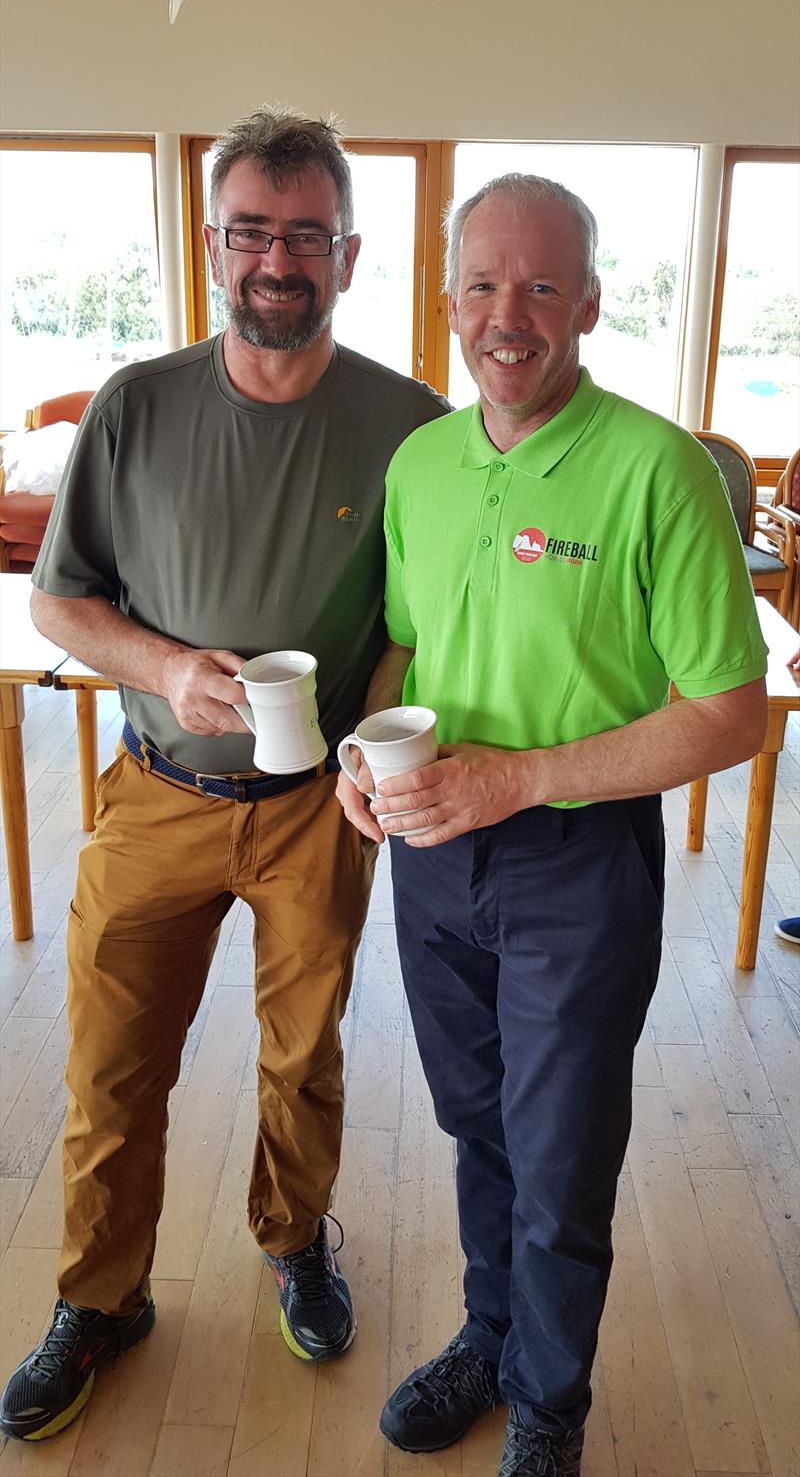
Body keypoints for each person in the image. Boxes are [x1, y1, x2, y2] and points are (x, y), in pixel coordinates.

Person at [0, 108, 447, 1443]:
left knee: (303, 1055)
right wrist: (162, 660)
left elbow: (417, 627)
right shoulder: (135, 404)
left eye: (306, 233)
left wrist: (376, 740)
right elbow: (58, 601)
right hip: (157, 792)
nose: (277, 258)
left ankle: (295, 1236)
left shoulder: (409, 426)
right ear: (211, 244)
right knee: (112, 1062)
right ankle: (100, 1293)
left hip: (318, 811)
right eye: (251, 229)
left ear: (349, 254)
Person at [337, 173, 768, 1476]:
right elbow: (406, 646)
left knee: (563, 1149)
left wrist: (514, 781)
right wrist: (365, 753)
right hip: (431, 855)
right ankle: (490, 1331)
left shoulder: (661, 469)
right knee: (480, 1120)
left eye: (538, 285)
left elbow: (731, 712)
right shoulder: (419, 462)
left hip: (578, 860)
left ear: (587, 300)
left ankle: (550, 1401)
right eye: (481, 283)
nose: (505, 314)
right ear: (449, 300)